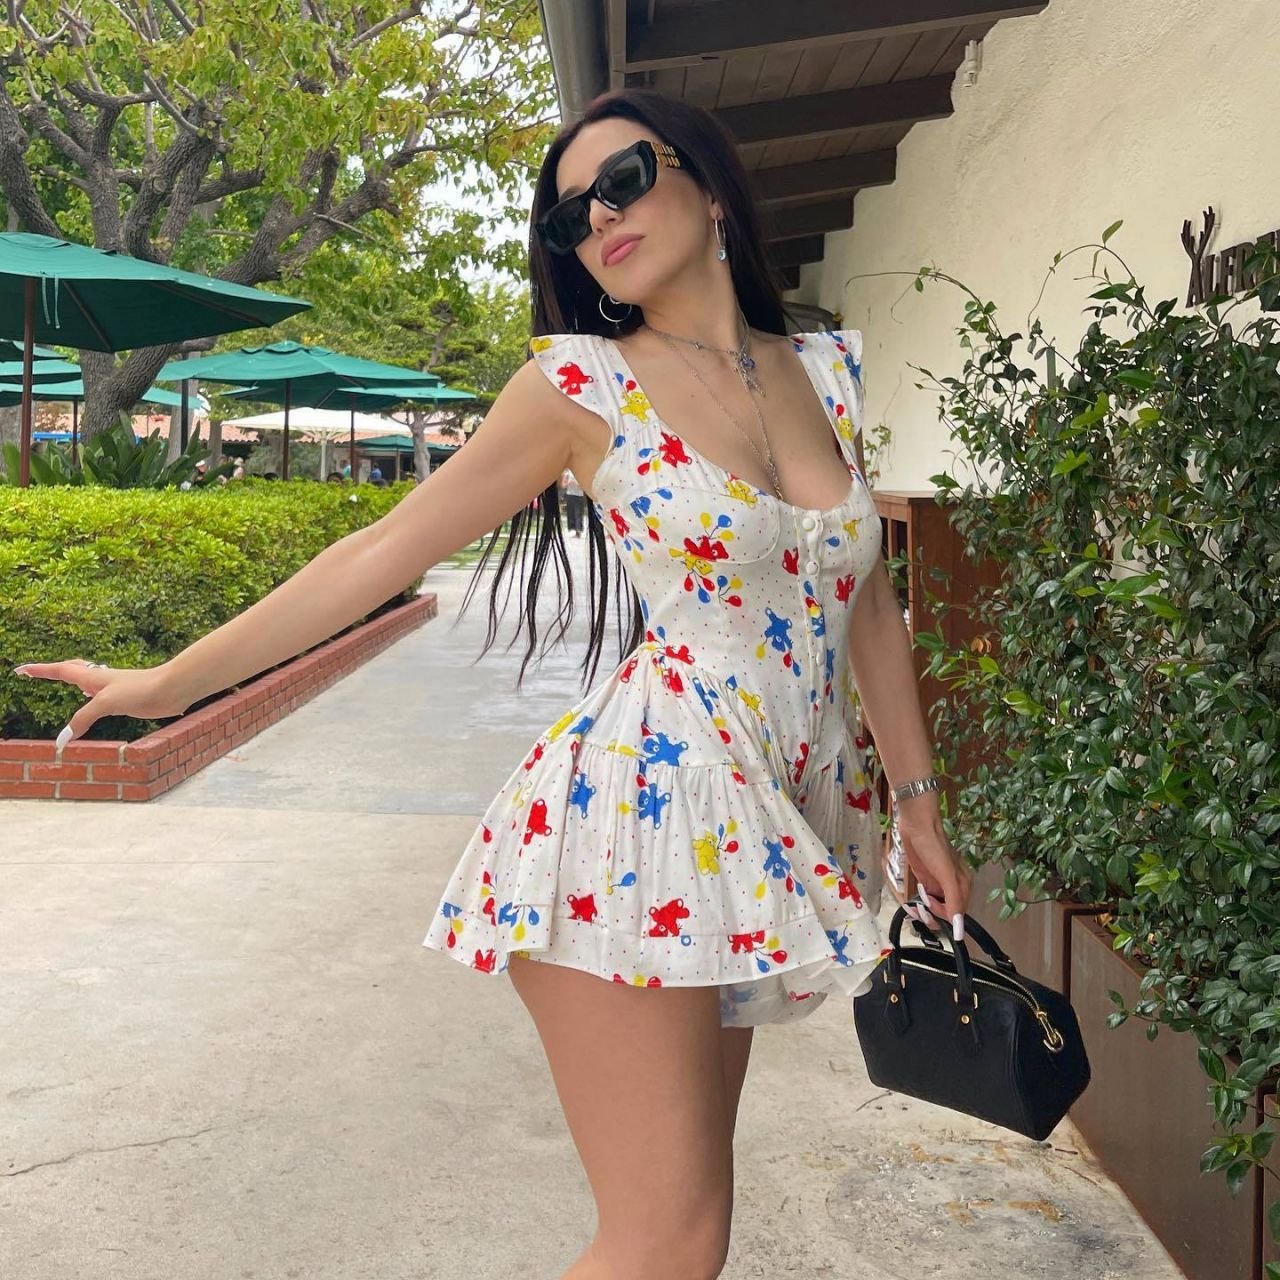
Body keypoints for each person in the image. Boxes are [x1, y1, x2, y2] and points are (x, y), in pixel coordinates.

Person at [13, 87, 970, 1280]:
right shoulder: (581, 386)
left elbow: (863, 600)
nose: (597, 218)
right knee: (666, 1244)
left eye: (622, 180)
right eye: (569, 216)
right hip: (641, 818)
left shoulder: (821, 376)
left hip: (756, 827)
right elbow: (377, 551)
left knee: (687, 1240)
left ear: (708, 184)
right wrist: (170, 682)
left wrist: (918, 804)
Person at [560, 466, 585, 536]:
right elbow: (563, 485)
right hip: (570, 494)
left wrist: (576, 483)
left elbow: (583, 485)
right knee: (570, 513)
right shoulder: (567, 472)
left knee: (578, 513)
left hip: (579, 495)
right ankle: (572, 529)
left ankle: (578, 530)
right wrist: (568, 483)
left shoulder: (581, 472)